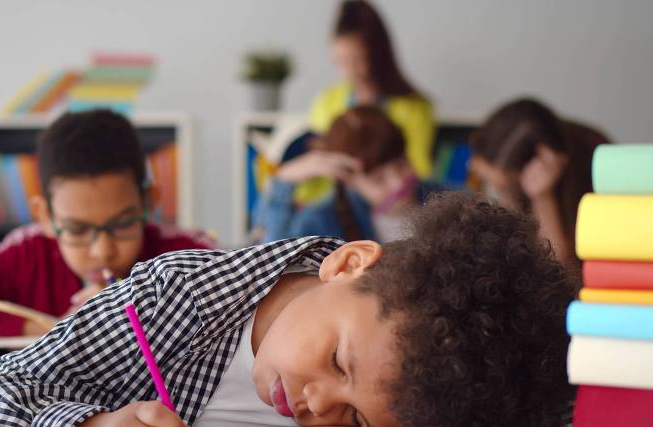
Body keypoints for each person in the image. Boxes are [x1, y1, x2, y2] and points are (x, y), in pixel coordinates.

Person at [0, 192, 583, 427]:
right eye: (337, 361)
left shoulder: (414, 411)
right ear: (346, 265)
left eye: (361, 419)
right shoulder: (174, 300)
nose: (319, 405)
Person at [0, 109, 212, 337]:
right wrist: (56, 326)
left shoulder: (185, 253)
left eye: (123, 225)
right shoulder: (25, 254)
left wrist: (147, 317)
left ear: (148, 202)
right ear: (45, 216)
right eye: (77, 229)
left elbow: (233, 303)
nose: (102, 251)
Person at [293, 0, 434, 205]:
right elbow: (316, 166)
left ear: (377, 56)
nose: (349, 71)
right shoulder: (326, 101)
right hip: (333, 204)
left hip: (387, 203)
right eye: (340, 61)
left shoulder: (413, 108)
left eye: (356, 60)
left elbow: (417, 172)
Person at [255, 106, 441, 243]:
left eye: (402, 165)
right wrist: (283, 180)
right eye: (378, 179)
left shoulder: (449, 199)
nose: (398, 183)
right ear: (348, 181)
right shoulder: (321, 222)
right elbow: (275, 265)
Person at [468, 98, 610, 271]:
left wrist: (543, 198)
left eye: (499, 186)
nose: (492, 191)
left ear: (533, 171)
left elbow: (558, 273)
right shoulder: (497, 168)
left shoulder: (594, 170)